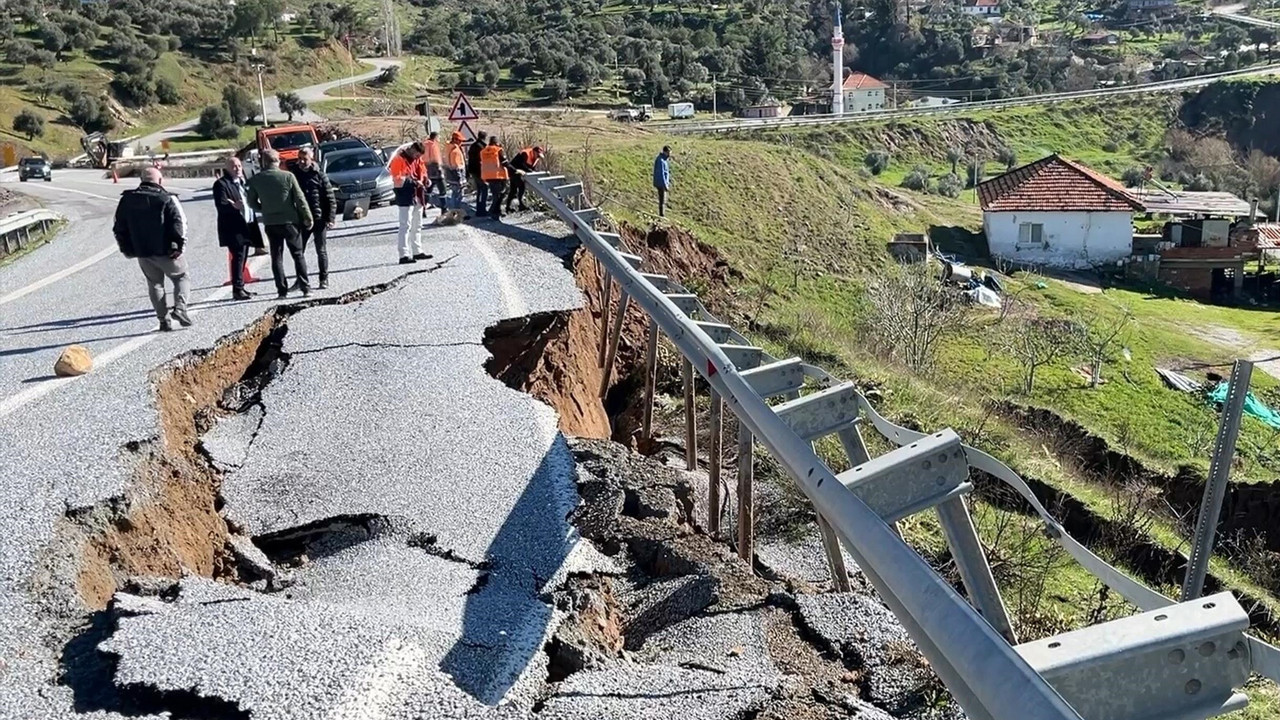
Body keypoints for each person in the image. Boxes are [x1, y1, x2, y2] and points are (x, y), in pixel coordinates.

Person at [113, 167, 191, 331]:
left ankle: (163, 321)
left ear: (141, 180)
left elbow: (119, 226)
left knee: (155, 284)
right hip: (167, 251)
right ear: (160, 180)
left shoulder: (127, 200)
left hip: (142, 251)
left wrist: (126, 248)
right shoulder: (167, 198)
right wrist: (180, 246)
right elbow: (179, 222)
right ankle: (180, 309)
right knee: (181, 277)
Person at [247, 148, 313, 299]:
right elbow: (300, 199)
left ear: (263, 162)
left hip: (271, 222)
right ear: (277, 161)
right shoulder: (288, 176)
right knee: (298, 255)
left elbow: (251, 202)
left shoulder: (256, 179)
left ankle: (281, 291)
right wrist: (307, 217)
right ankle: (305, 287)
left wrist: (263, 208)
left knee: (276, 257)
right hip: (290, 221)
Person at [290, 147, 337, 289]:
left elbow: (330, 198)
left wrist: (330, 218)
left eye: (304, 159)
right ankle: (300, 281)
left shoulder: (319, 175)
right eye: (299, 158)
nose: (301, 162)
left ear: (311, 159)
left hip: (319, 219)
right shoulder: (293, 175)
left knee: (321, 250)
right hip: (302, 219)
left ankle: (324, 279)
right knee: (299, 251)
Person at [212, 157, 256, 301]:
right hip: (233, 227)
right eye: (234, 167)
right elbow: (221, 205)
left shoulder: (242, 182)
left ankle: (241, 286)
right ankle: (237, 290)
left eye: (239, 166)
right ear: (227, 169)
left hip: (247, 225)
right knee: (237, 257)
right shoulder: (221, 184)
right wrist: (233, 206)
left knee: (243, 257)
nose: (237, 169)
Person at [389, 142, 432, 264]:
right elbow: (397, 179)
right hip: (405, 194)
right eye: (417, 155)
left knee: (417, 224)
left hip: (417, 194)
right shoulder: (398, 159)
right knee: (405, 225)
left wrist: (425, 179)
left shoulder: (417, 159)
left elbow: (422, 171)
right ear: (412, 150)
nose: (417, 158)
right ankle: (404, 254)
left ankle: (417, 251)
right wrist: (413, 182)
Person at [505, 145, 544, 213]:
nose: (538, 157)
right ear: (534, 152)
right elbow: (522, 165)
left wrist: (533, 172)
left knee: (513, 190)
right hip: (514, 171)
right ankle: (520, 205)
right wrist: (530, 171)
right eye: (538, 155)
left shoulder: (536, 158)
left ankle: (509, 207)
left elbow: (532, 168)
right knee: (520, 187)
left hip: (520, 173)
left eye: (539, 156)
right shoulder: (525, 153)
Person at [480, 136, 509, 221]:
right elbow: (504, 162)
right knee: (500, 195)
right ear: (496, 142)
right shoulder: (498, 150)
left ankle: (497, 211)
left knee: (496, 195)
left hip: (487, 175)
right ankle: (493, 212)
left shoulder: (483, 151)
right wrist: (514, 170)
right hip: (498, 175)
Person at [442, 131, 467, 221]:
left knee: (454, 194)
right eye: (460, 141)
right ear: (455, 140)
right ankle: (456, 214)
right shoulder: (455, 151)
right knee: (457, 196)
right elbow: (457, 166)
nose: (461, 142)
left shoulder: (448, 148)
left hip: (450, 176)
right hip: (456, 177)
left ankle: (454, 213)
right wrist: (460, 180)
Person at [467, 130, 489, 217]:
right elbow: (482, 161)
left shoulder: (473, 146)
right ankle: (481, 210)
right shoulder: (482, 147)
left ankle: (479, 209)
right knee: (484, 189)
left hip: (473, 170)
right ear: (485, 137)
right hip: (479, 171)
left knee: (480, 190)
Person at [422, 130, 446, 209]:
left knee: (428, 190)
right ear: (435, 138)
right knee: (442, 190)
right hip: (436, 170)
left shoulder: (424, 144)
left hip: (427, 170)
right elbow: (436, 158)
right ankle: (444, 208)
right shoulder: (433, 145)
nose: (439, 139)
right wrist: (440, 169)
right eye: (438, 137)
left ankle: (424, 208)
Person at [653, 145, 672, 217]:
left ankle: (662, 214)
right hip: (661, 183)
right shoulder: (661, 160)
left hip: (662, 183)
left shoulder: (664, 160)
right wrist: (665, 185)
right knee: (662, 200)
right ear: (665, 152)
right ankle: (662, 215)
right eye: (668, 152)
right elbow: (661, 174)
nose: (669, 154)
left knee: (663, 200)